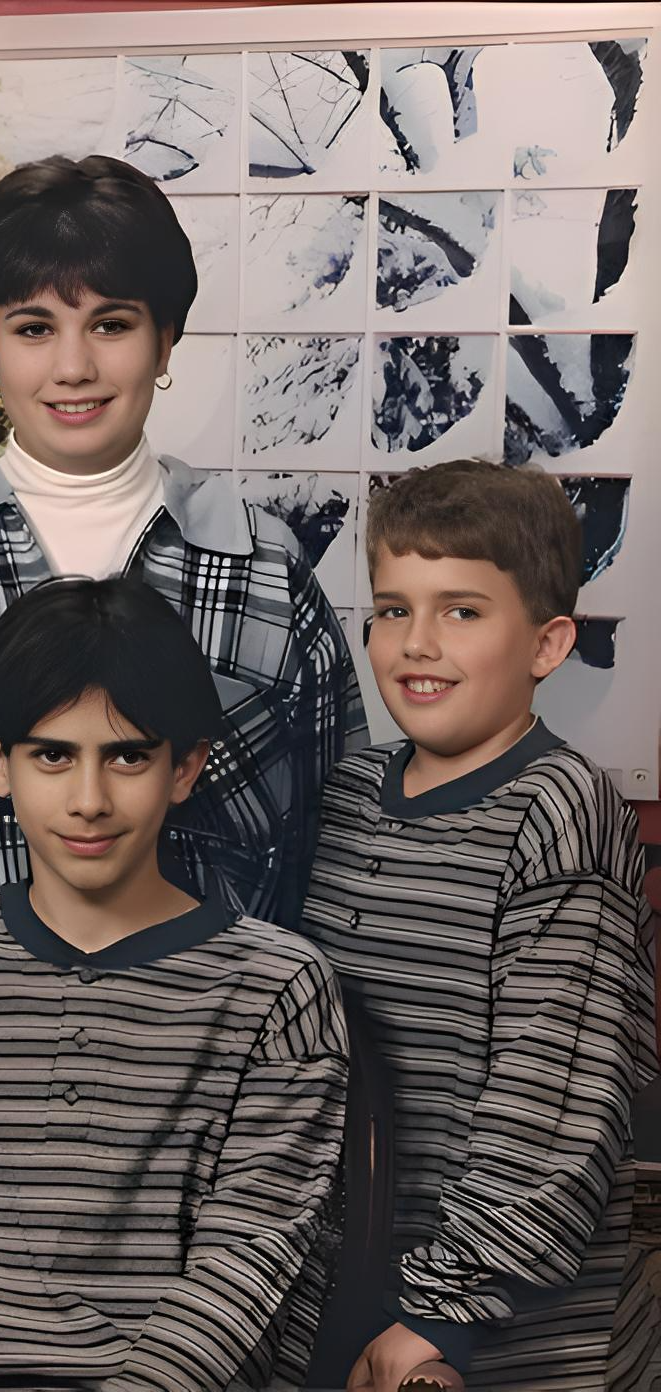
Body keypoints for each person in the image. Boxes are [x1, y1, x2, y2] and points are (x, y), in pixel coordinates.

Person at [0, 576, 349, 1392]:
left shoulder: (278, 988)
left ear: (186, 767)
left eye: (127, 756)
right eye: (53, 755)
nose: (89, 801)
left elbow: (244, 1276)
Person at [0, 153, 365, 929]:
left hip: (206, 1033)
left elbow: (334, 855)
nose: (73, 367)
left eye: (110, 325)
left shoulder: (266, 576)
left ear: (166, 340)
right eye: (34, 328)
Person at [302, 460, 657, 1391]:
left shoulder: (559, 811)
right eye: (391, 609)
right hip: (353, 1293)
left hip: (493, 1338)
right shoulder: (348, 795)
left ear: (547, 645)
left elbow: (557, 1100)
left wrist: (441, 1317)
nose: (417, 643)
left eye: (462, 611)